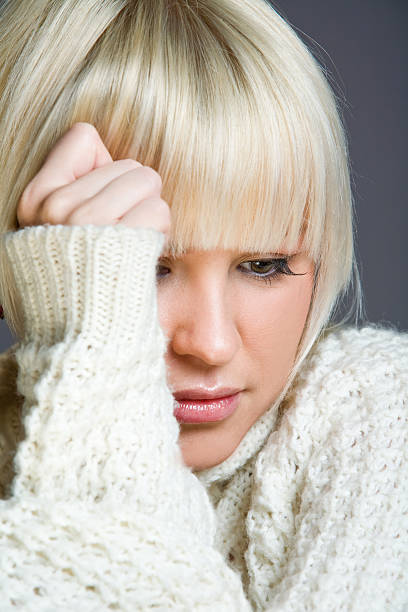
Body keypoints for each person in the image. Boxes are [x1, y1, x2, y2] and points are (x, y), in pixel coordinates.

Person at [0, 0, 406, 609]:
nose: (211, 343)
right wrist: (95, 347)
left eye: (263, 265)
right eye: (146, 268)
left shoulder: (381, 413)